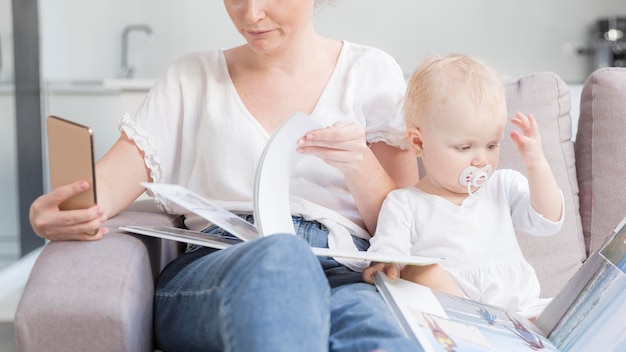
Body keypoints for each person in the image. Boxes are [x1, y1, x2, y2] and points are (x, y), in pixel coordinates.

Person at [29, 1, 422, 351]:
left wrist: (360, 163)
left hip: (346, 272)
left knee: (376, 332)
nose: (251, 14)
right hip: (219, 268)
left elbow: (405, 231)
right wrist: (60, 210)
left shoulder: (370, 72)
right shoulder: (193, 78)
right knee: (282, 256)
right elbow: (110, 182)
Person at [362, 54, 564, 319]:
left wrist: (537, 163)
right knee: (420, 271)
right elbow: (390, 250)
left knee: (569, 310)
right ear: (419, 143)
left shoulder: (503, 186)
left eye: (492, 145)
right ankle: (479, 329)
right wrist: (387, 265)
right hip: (453, 309)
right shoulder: (404, 203)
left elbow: (548, 219)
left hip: (520, 306)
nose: (481, 159)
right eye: (465, 147)